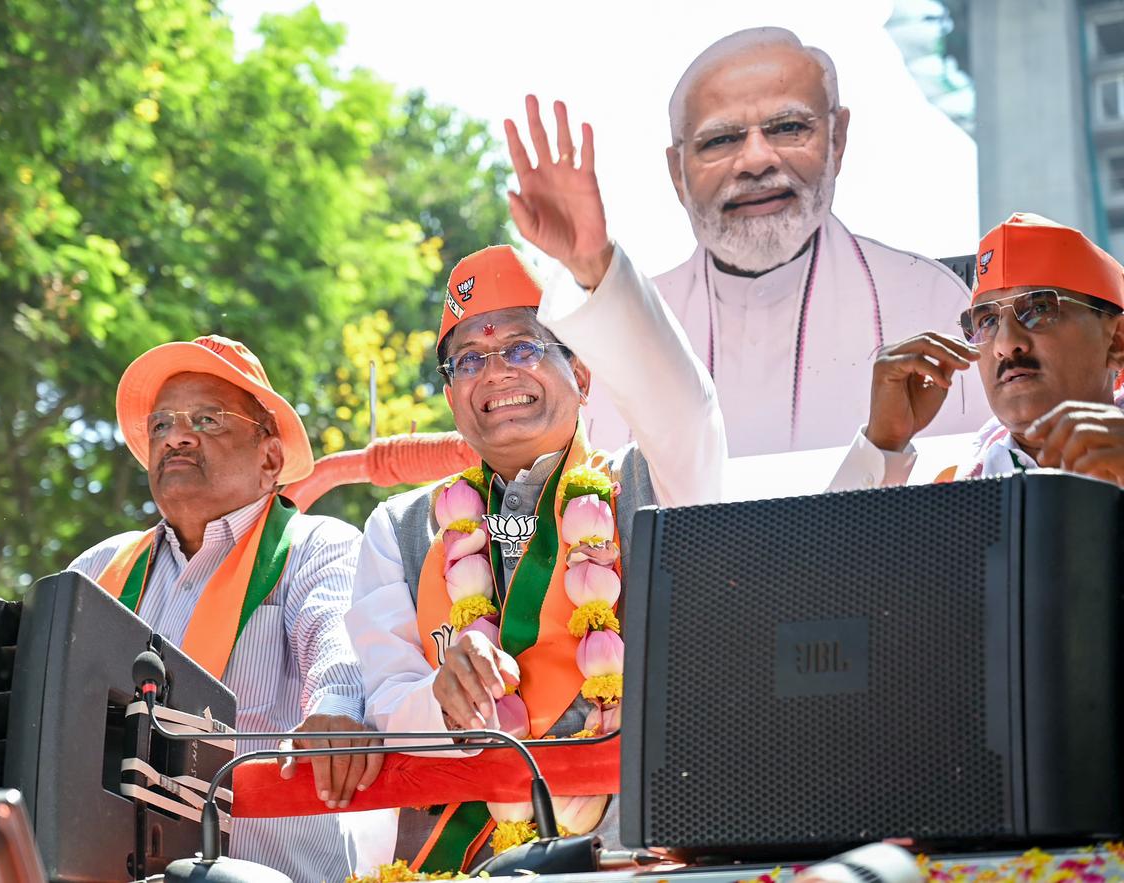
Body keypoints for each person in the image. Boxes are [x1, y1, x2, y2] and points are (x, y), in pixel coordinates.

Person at [344, 95, 727, 870]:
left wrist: (594, 268)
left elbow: (691, 415)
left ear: (580, 371)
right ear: (452, 396)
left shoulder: (651, 484)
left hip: (639, 857)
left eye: (523, 348)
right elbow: (389, 705)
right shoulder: (400, 527)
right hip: (469, 860)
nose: (496, 374)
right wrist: (439, 697)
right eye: (470, 360)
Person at [67, 336, 393, 883]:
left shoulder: (315, 546)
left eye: (208, 419)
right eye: (162, 426)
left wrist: (337, 707)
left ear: (270, 457)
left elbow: (337, 641)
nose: (177, 437)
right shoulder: (100, 569)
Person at [583, 26, 989, 456]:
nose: (756, 160)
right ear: (677, 173)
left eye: (788, 127)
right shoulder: (622, 337)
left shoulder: (929, 301)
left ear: (837, 140)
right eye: (720, 139)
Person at [829, 212, 1124, 489]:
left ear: (1116, 341)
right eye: (988, 321)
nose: (1005, 345)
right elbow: (829, 546)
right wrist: (884, 443)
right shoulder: (957, 492)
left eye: (1039, 308)